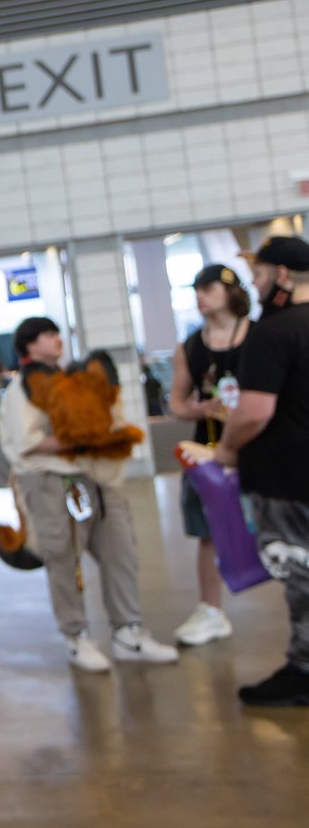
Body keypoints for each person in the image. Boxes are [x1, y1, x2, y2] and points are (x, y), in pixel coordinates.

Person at [0, 317, 178, 671]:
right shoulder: (24, 387)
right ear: (30, 345)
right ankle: (76, 636)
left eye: (56, 333)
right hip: (52, 480)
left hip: (92, 477)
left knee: (120, 550)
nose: (56, 340)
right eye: (47, 335)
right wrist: (87, 440)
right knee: (63, 558)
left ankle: (128, 632)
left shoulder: (68, 379)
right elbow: (28, 443)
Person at [213, 235, 309, 706]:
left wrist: (226, 450)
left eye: (259, 272)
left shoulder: (271, 333)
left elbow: (253, 412)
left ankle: (305, 673)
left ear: (283, 276)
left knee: (303, 577)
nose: (253, 281)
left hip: (290, 481)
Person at [168, 264, 252, 645]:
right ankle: (211, 610)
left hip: (260, 444)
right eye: (196, 289)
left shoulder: (261, 336)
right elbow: (177, 404)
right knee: (208, 532)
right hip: (209, 449)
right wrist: (204, 409)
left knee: (284, 526)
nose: (200, 296)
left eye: (208, 288)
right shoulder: (191, 347)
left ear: (231, 291)